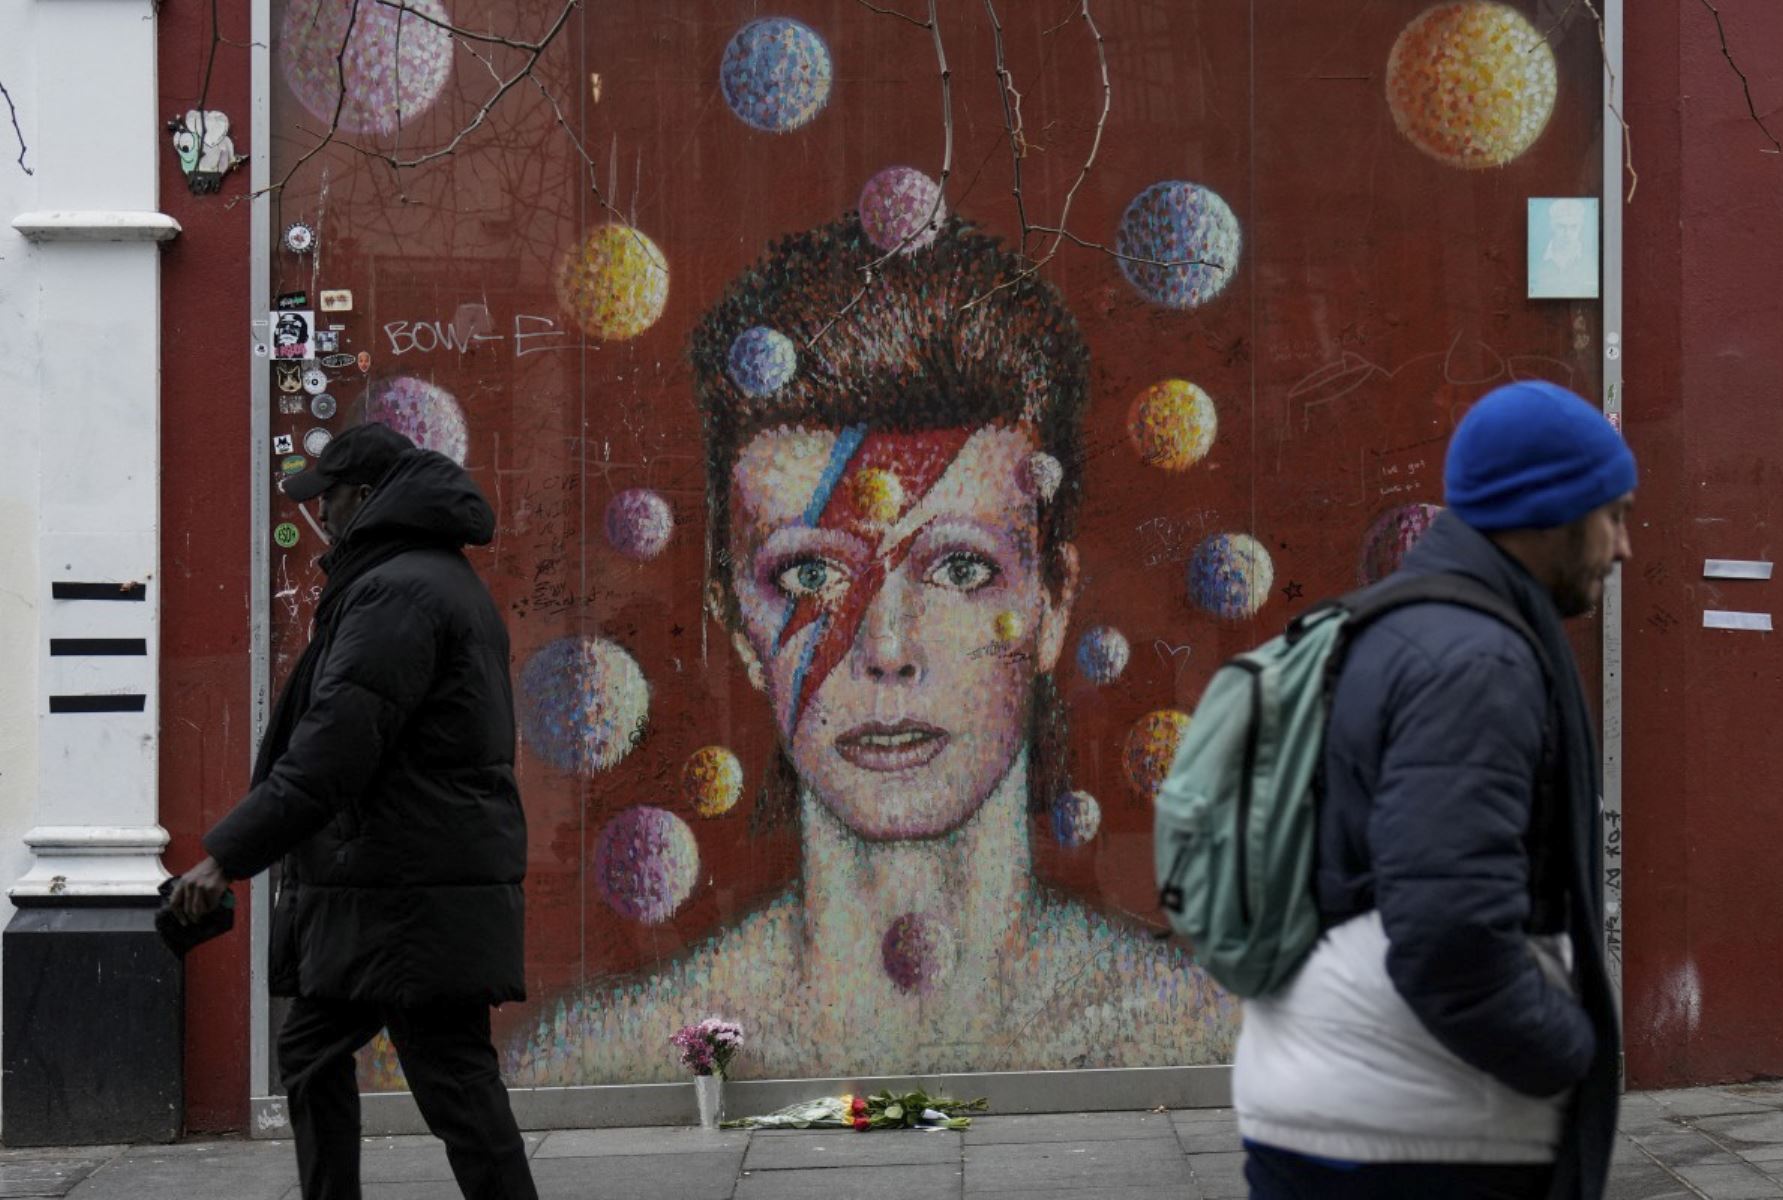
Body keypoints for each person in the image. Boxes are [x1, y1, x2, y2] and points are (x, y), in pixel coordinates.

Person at [505, 214, 1235, 1085]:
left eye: (961, 567)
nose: (885, 648)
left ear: (1051, 603)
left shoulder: (1196, 1037)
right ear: (738, 625)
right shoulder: (606, 1061)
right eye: (811, 574)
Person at [1232, 380, 1631, 1199]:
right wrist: (1570, 1049)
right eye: (1613, 514)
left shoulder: (1407, 623)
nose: (1623, 547)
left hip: (1359, 1100)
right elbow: (1451, 937)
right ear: (1549, 513)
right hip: (1415, 1131)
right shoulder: (1473, 664)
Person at [167, 422, 536, 1200]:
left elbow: (332, 751)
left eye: (326, 498)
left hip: (407, 890)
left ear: (364, 498)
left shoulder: (398, 592)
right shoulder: (414, 580)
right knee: (321, 1052)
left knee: (453, 1084)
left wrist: (224, 856)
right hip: (397, 885)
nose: (317, 516)